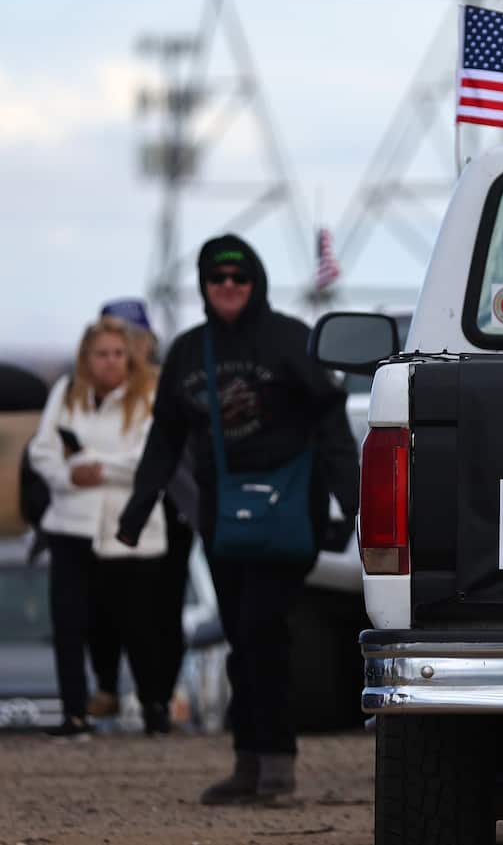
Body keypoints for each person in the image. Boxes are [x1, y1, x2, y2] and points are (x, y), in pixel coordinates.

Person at [117, 234, 358, 804]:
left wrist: (352, 503)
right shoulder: (188, 351)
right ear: (204, 285)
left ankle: (278, 764)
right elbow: (165, 437)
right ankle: (249, 762)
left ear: (256, 282)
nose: (228, 286)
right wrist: (137, 510)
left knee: (262, 631)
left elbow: (331, 423)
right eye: (217, 278)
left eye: (239, 277)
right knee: (241, 640)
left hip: (289, 514)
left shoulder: (289, 340)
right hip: (223, 518)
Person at [28, 316, 170, 738]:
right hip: (72, 523)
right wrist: (68, 475)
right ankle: (74, 712)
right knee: (70, 623)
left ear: (130, 358)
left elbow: (148, 458)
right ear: (86, 358)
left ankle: (153, 707)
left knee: (138, 626)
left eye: (118, 354)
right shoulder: (66, 393)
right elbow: (42, 451)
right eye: (102, 354)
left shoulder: (148, 396)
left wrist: (93, 466)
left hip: (129, 530)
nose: (110, 362)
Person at [85, 299, 197, 735]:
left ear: (148, 341)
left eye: (135, 337)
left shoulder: (171, 384)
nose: (129, 347)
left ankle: (157, 700)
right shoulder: (85, 392)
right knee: (105, 608)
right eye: (118, 337)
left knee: (163, 610)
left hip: (170, 507)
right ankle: (109, 690)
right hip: (106, 510)